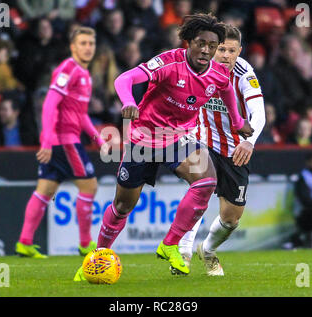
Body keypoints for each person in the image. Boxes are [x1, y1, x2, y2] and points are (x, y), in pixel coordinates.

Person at [74, 13, 254, 281]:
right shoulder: (169, 63)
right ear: (188, 43)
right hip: (143, 138)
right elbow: (124, 80)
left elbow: (227, 90)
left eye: (211, 45)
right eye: (200, 43)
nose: (206, 50)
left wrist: (238, 122)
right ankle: (99, 255)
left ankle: (170, 243)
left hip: (177, 138)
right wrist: (128, 102)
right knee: (123, 206)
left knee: (206, 182)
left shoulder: (218, 73)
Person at [177, 25, 266, 276]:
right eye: (222, 49)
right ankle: (182, 252)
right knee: (201, 188)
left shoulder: (244, 73)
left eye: (231, 50)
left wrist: (249, 142)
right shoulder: (197, 65)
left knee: (231, 218)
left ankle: (207, 250)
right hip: (201, 139)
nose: (226, 55)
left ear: (240, 51)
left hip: (235, 147)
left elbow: (259, 114)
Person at [15, 27, 106, 259]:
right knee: (89, 186)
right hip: (63, 141)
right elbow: (49, 104)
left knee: (45, 189)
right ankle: (86, 244)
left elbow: (81, 113)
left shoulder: (85, 75)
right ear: (73, 47)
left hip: (64, 140)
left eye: (91, 43)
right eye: (83, 43)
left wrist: (96, 137)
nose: (88, 47)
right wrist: (45, 140)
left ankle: (24, 242)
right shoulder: (68, 69)